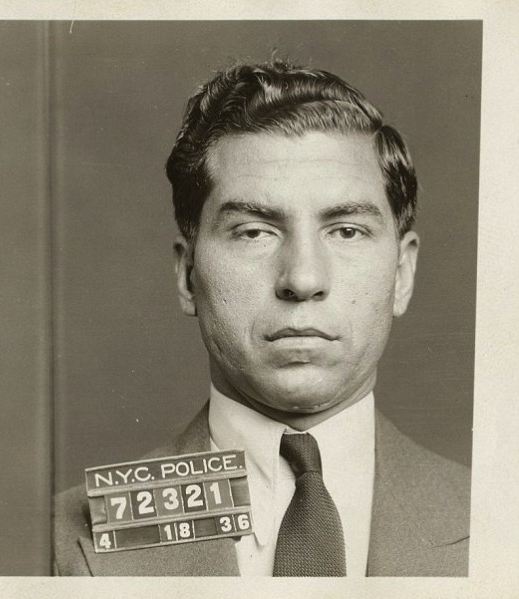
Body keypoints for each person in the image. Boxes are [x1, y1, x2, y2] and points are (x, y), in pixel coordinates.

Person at [54, 61, 470, 577]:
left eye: (346, 231)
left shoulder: (498, 522)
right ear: (188, 275)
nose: (302, 278)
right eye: (254, 232)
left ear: (402, 273)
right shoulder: (64, 541)